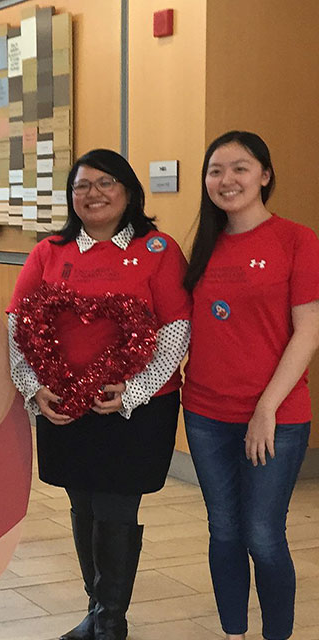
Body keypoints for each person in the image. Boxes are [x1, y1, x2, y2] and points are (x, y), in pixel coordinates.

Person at [7, 149, 191, 640]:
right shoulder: (50, 250)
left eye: (107, 182)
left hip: (137, 407)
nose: (94, 193)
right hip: (66, 405)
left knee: (115, 507)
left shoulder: (159, 249)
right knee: (82, 502)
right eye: (83, 185)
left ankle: (110, 620)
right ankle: (98, 612)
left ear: (129, 191)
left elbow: (176, 329)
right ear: (71, 197)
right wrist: (33, 385)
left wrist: (133, 390)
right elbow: (18, 322)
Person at [182, 131, 319, 640]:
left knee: (263, 535)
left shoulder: (296, 239)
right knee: (224, 529)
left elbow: (309, 330)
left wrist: (266, 409)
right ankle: (233, 633)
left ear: (264, 174)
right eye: (215, 170)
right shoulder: (203, 244)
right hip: (205, 413)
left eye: (240, 168)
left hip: (277, 417)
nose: (226, 179)